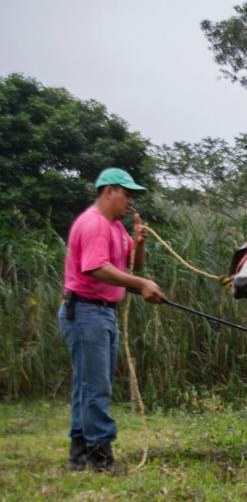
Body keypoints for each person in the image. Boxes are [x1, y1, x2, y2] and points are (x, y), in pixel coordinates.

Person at [58, 167, 165, 472]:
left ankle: (78, 455)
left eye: (133, 196)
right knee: (96, 387)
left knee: (87, 385)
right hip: (86, 311)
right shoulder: (94, 224)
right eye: (126, 194)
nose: (130, 201)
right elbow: (96, 268)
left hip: (102, 312)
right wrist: (141, 284)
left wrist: (139, 241)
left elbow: (133, 263)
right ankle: (100, 456)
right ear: (108, 191)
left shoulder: (115, 226)